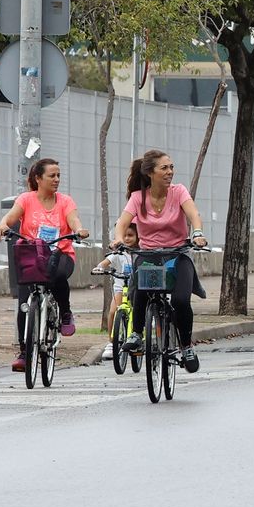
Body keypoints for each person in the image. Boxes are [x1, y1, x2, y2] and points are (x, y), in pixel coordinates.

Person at [114, 150, 209, 374]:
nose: (170, 172)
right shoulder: (138, 197)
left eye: (171, 167)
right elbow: (122, 222)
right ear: (150, 173)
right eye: (164, 168)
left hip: (178, 255)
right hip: (149, 256)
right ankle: (137, 334)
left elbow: (194, 214)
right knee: (141, 291)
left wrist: (197, 233)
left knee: (180, 300)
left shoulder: (179, 192)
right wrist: (118, 239)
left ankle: (186, 346)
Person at [0, 158, 88, 372]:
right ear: (38, 178)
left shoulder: (65, 201)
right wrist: (3, 225)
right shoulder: (26, 199)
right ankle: (23, 351)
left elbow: (73, 220)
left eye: (58, 175)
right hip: (31, 254)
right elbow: (10, 218)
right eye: (52, 176)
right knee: (24, 302)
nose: (56, 179)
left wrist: (80, 229)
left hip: (60, 253)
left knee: (57, 277)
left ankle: (65, 313)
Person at [96, 225, 140, 363]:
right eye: (124, 235)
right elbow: (105, 262)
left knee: (138, 311)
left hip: (137, 288)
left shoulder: (141, 253)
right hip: (121, 288)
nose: (127, 238)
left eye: (131, 235)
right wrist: (100, 267)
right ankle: (111, 341)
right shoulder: (118, 254)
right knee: (113, 311)